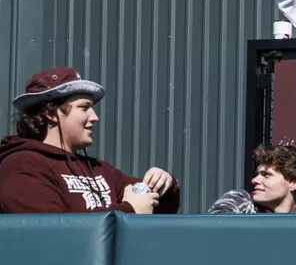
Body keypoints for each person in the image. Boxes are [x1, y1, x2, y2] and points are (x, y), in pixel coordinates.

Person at [0, 67, 179, 214]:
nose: (94, 117)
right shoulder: (21, 165)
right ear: (51, 113)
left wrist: (164, 183)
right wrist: (128, 211)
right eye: (83, 108)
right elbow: (51, 234)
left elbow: (158, 207)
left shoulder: (98, 170)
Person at [209, 144, 296, 213]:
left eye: (266, 175)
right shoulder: (241, 202)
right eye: (257, 174)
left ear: (294, 182)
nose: (254, 180)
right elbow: (215, 224)